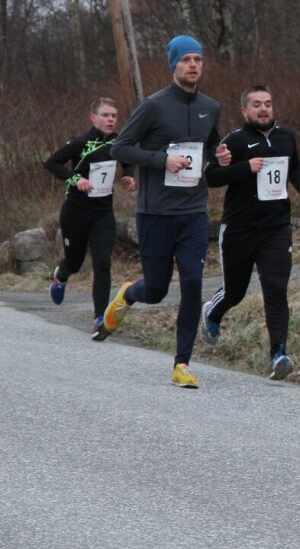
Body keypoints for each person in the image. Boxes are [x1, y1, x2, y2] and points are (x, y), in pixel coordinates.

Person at [99, 34, 226, 389]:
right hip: (155, 213)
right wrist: (161, 160)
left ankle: (181, 363)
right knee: (155, 290)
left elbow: (212, 143)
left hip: (194, 212)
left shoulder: (210, 107)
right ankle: (128, 294)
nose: (193, 65)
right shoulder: (153, 106)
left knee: (192, 282)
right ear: (174, 65)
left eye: (198, 59)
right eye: (186, 59)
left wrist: (221, 154)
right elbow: (120, 148)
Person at [199, 85, 300, 380]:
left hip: (276, 229)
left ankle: (279, 354)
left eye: (268, 103)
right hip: (239, 229)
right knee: (235, 292)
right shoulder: (235, 142)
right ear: (245, 111)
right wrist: (244, 167)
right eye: (257, 105)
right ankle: (212, 312)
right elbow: (211, 177)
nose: (264, 109)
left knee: (276, 289)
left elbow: (295, 167)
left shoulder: (285, 138)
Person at [44, 98, 137, 339]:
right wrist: (76, 180)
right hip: (75, 212)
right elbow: (51, 162)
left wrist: (127, 176)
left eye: (114, 116)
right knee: (73, 263)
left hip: (103, 213)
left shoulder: (119, 141)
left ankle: (100, 319)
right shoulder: (80, 142)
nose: (110, 120)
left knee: (102, 263)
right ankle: (61, 276)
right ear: (93, 118)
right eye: (105, 115)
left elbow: (128, 161)